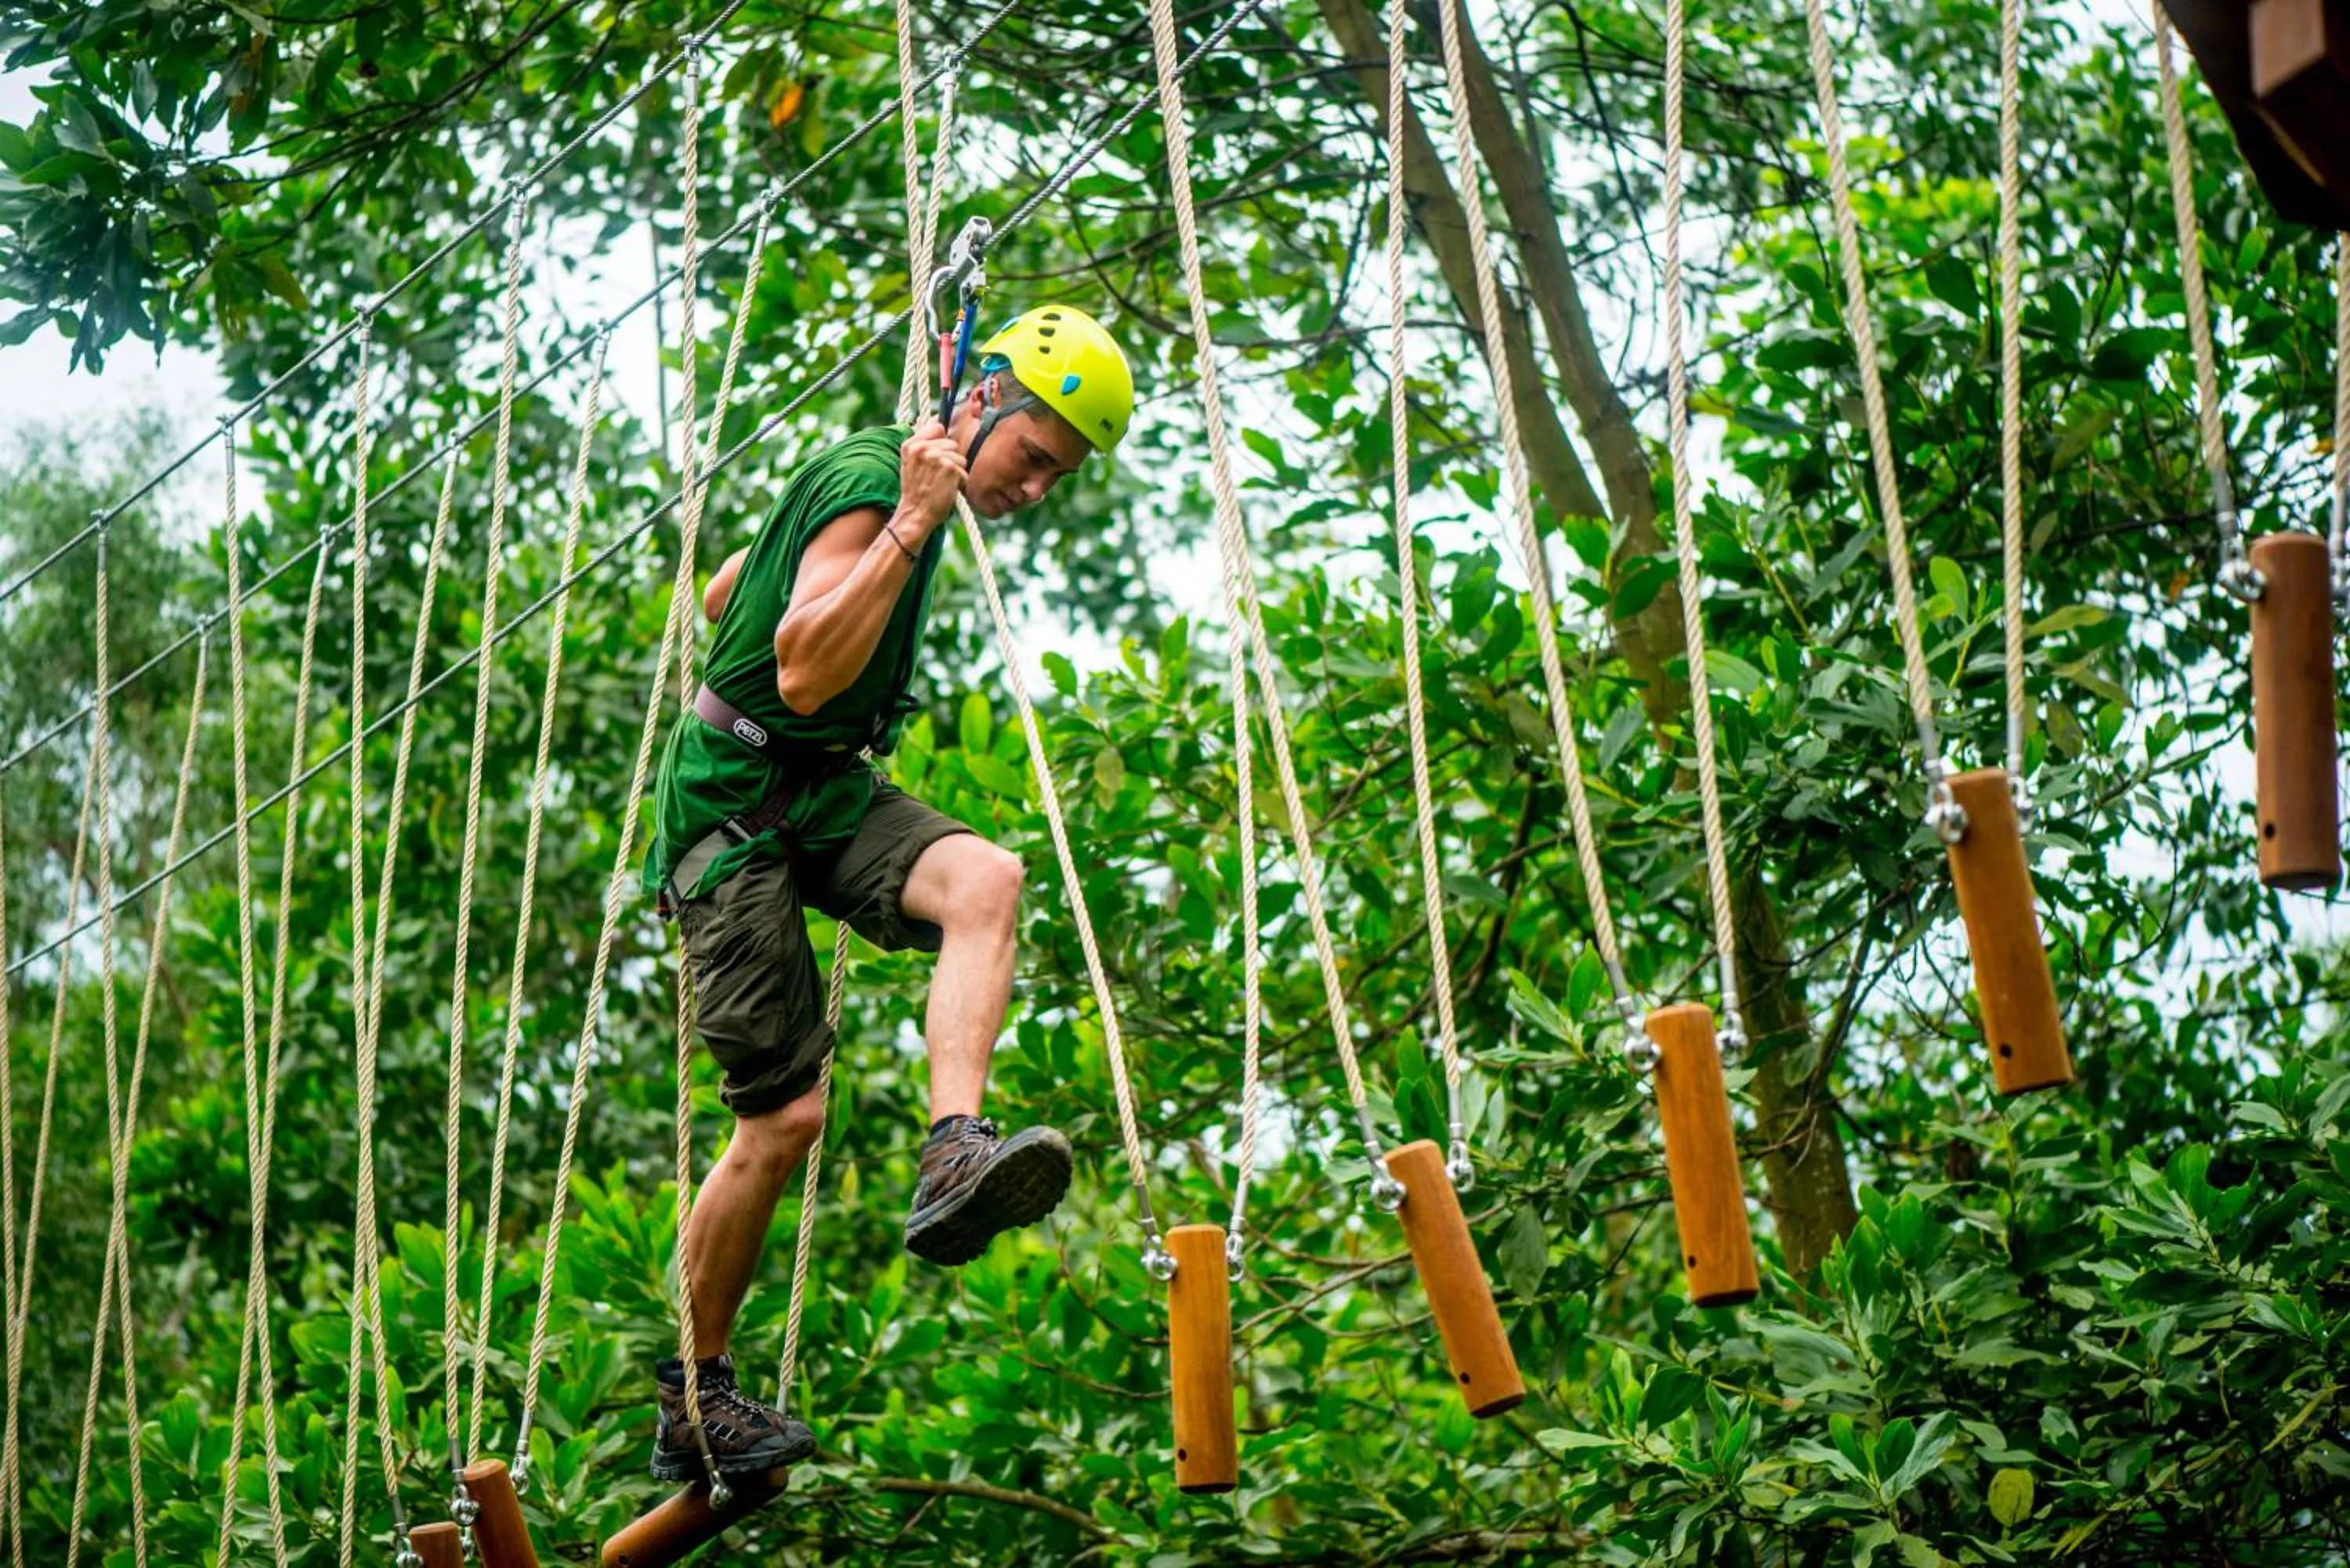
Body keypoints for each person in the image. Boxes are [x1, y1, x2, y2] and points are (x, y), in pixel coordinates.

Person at [636, 305, 1136, 1481]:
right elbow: (806, 669)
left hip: (810, 788)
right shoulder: (888, 487)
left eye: (1058, 476)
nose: (1036, 488)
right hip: (733, 806)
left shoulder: (879, 486)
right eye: (1033, 458)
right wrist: (906, 521)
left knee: (986, 879)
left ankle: (954, 1146)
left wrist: (794, 566)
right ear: (986, 397)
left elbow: (727, 601)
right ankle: (694, 1399)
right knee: (786, 1117)